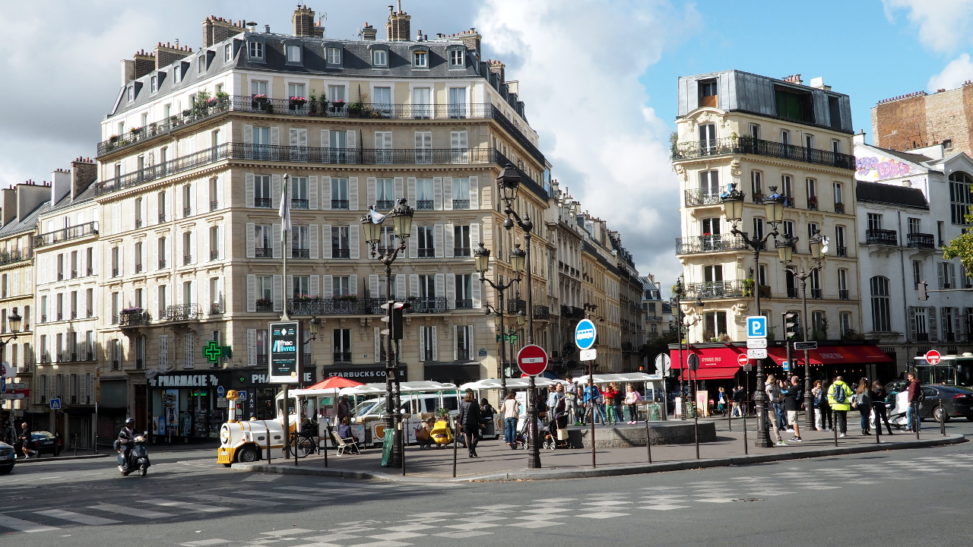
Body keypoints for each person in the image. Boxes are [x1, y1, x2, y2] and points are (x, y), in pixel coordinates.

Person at [457, 389, 481, 458]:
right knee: (476, 436)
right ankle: (472, 448)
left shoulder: (462, 402)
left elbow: (461, 413)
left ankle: (470, 451)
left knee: (468, 437)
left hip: (465, 423)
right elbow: (478, 414)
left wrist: (460, 422)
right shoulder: (475, 402)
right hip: (474, 423)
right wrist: (481, 422)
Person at [764, 375, 785, 446]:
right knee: (774, 422)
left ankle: (767, 439)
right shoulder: (769, 387)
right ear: (772, 380)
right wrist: (779, 399)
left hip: (762, 407)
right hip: (769, 406)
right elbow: (771, 398)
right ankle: (779, 439)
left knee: (765, 423)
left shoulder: (763, 385)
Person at [782, 375, 803, 442]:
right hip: (795, 405)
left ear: (793, 381)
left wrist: (781, 387)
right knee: (794, 421)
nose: (790, 381)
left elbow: (784, 392)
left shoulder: (794, 388)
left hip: (792, 406)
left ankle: (797, 436)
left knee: (794, 422)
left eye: (791, 380)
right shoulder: (799, 387)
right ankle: (796, 435)